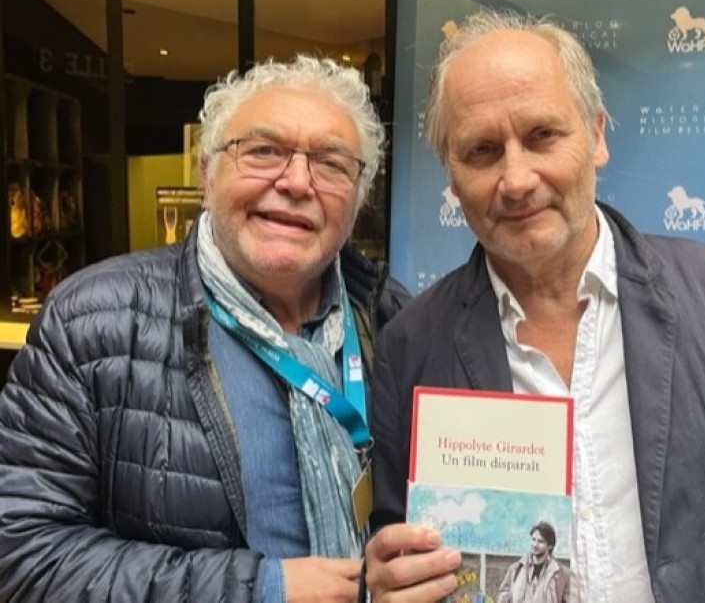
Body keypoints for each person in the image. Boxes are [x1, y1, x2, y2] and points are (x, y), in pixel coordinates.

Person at [363, 8, 705, 601]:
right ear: (451, 174)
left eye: (542, 135)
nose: (517, 179)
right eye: (483, 150)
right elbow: (406, 564)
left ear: (596, 136)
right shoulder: (409, 348)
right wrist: (389, 586)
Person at [0, 56, 409, 601]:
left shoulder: (395, 320)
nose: (296, 181)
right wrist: (263, 589)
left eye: (331, 163)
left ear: (359, 197)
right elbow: (24, 555)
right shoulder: (90, 323)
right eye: (263, 151)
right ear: (206, 173)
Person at [497, 522, 570, 603]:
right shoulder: (516, 569)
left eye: (540, 541)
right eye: (533, 539)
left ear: (550, 546)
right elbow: (503, 596)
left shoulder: (561, 574)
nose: (535, 545)